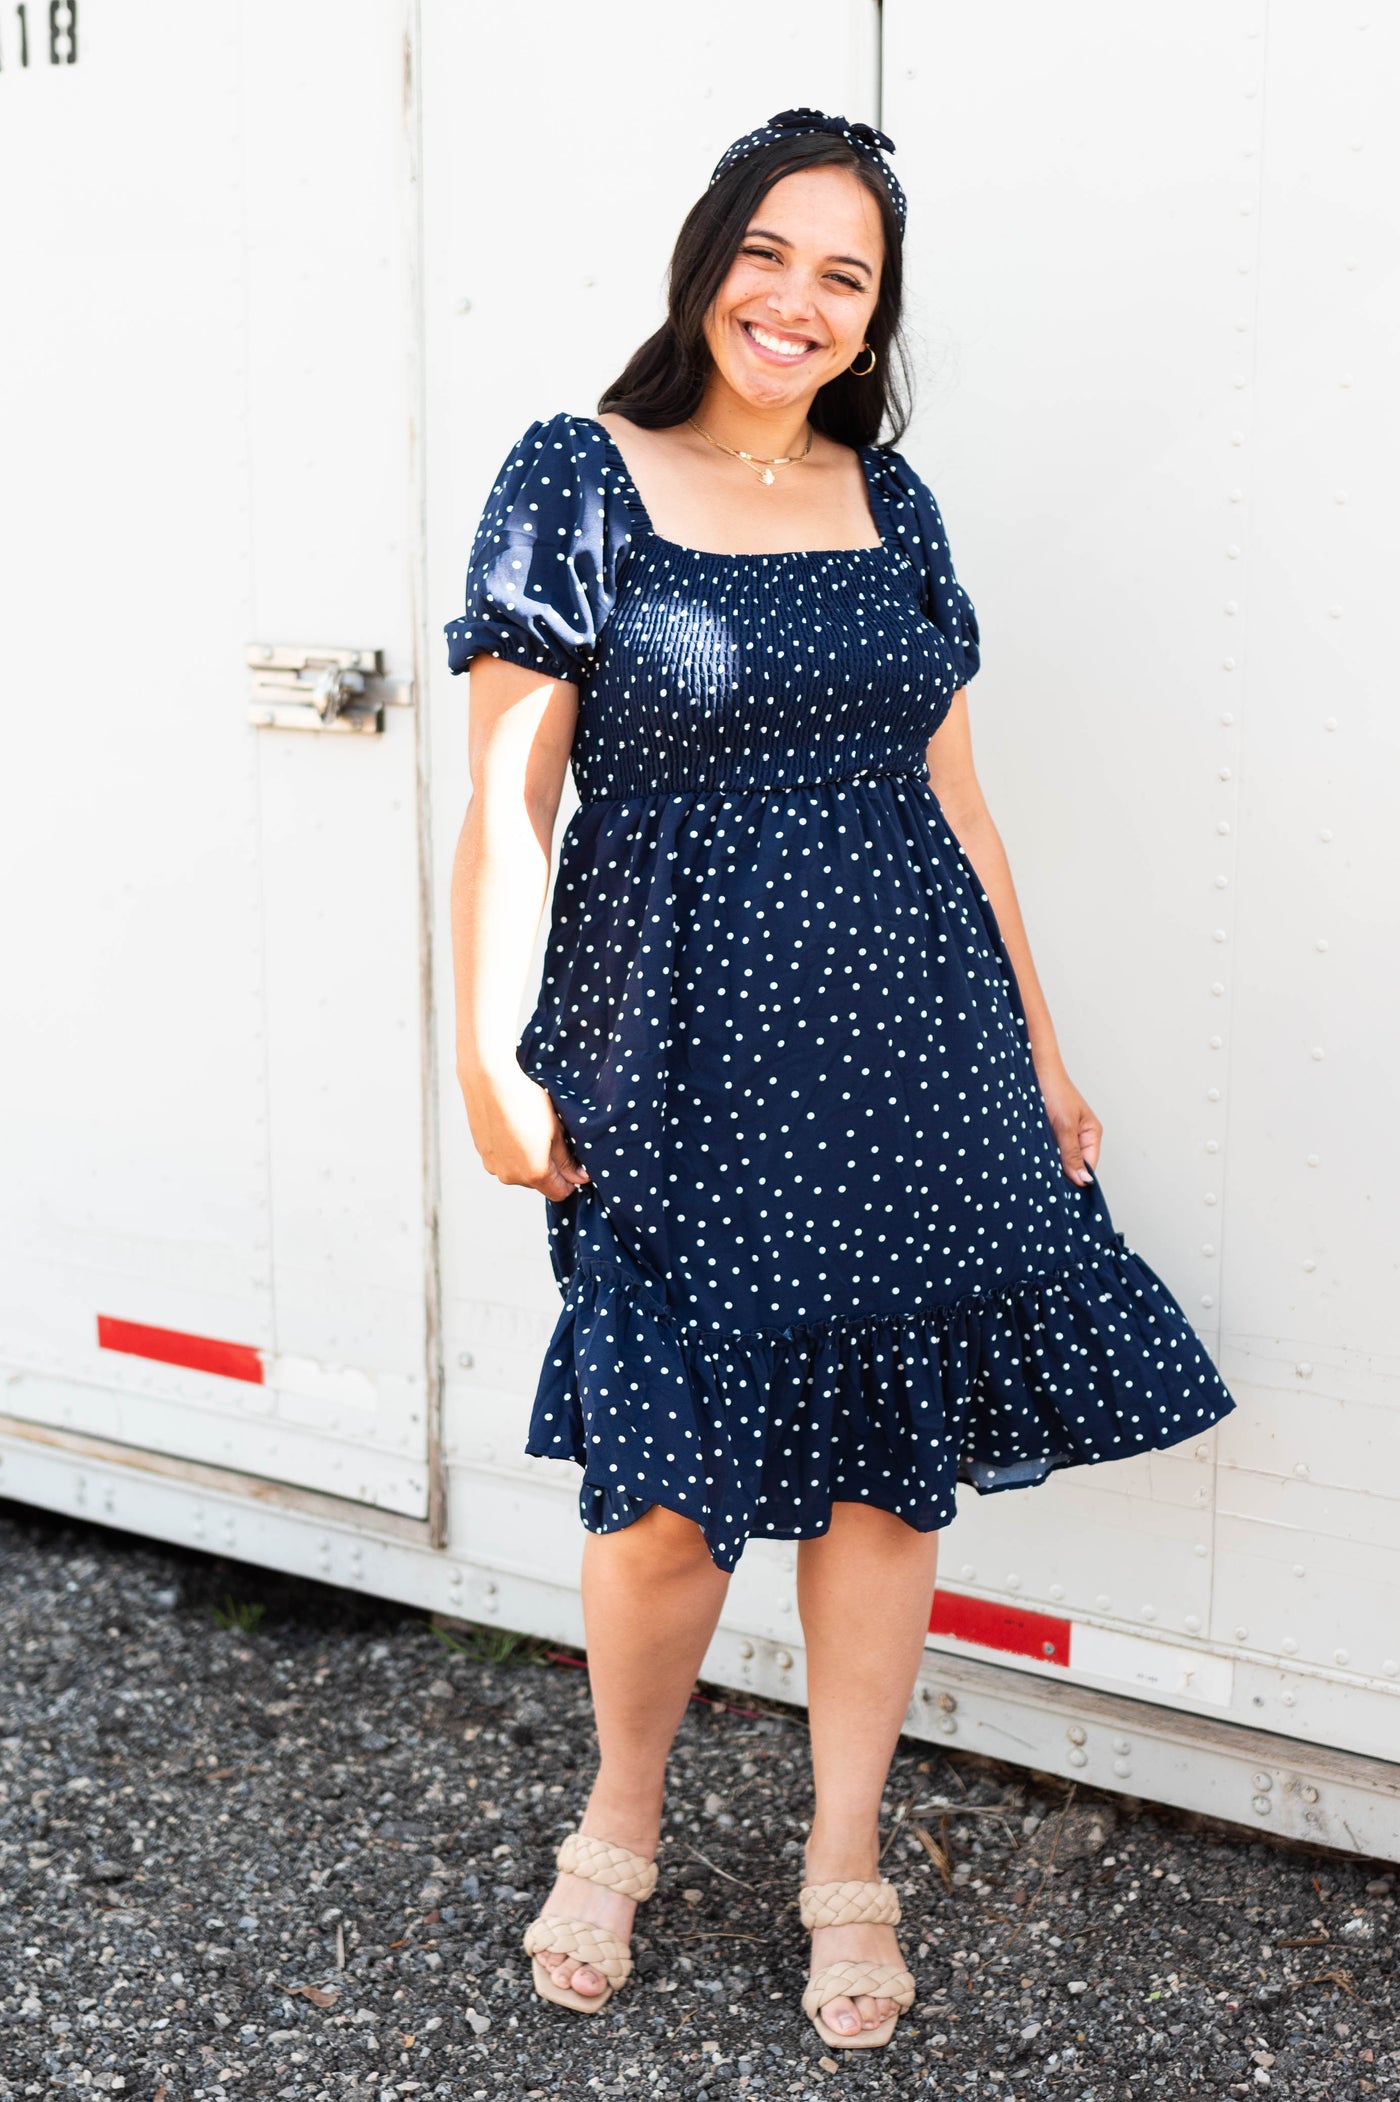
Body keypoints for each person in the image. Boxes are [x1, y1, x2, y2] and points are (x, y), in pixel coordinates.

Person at [445, 107, 1237, 2051]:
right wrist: (488, 1054)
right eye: (769, 252)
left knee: (884, 1489)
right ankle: (619, 1814)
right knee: (661, 1513)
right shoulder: (580, 474)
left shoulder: (895, 502)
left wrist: (1040, 1050)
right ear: (706, 255)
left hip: (917, 1064)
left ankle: (845, 1857)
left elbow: (957, 798)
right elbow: (502, 792)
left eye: (843, 274)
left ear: (875, 316)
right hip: (681, 1066)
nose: (795, 299)